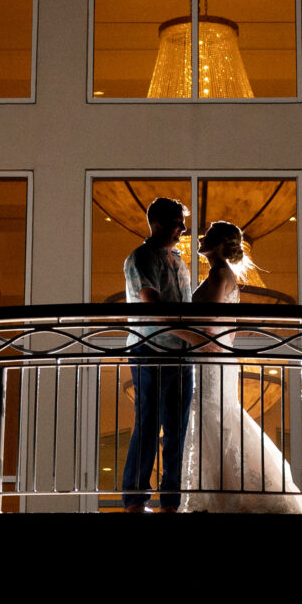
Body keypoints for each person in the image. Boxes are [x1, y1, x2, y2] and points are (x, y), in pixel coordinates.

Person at [183, 218, 302, 514]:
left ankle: (220, 492)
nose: (200, 240)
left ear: (216, 245)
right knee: (216, 415)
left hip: (212, 359)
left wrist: (170, 326)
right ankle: (219, 487)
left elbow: (207, 327)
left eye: (207, 237)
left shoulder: (218, 276)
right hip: (214, 359)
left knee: (212, 414)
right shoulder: (223, 275)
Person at [119, 196, 195, 511]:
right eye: (179, 222)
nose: (184, 229)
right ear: (159, 223)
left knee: (177, 429)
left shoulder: (179, 261)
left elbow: (186, 310)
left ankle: (170, 503)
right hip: (149, 349)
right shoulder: (140, 258)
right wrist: (196, 339)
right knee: (148, 423)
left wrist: (193, 340)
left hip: (181, 354)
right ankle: (135, 500)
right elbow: (155, 309)